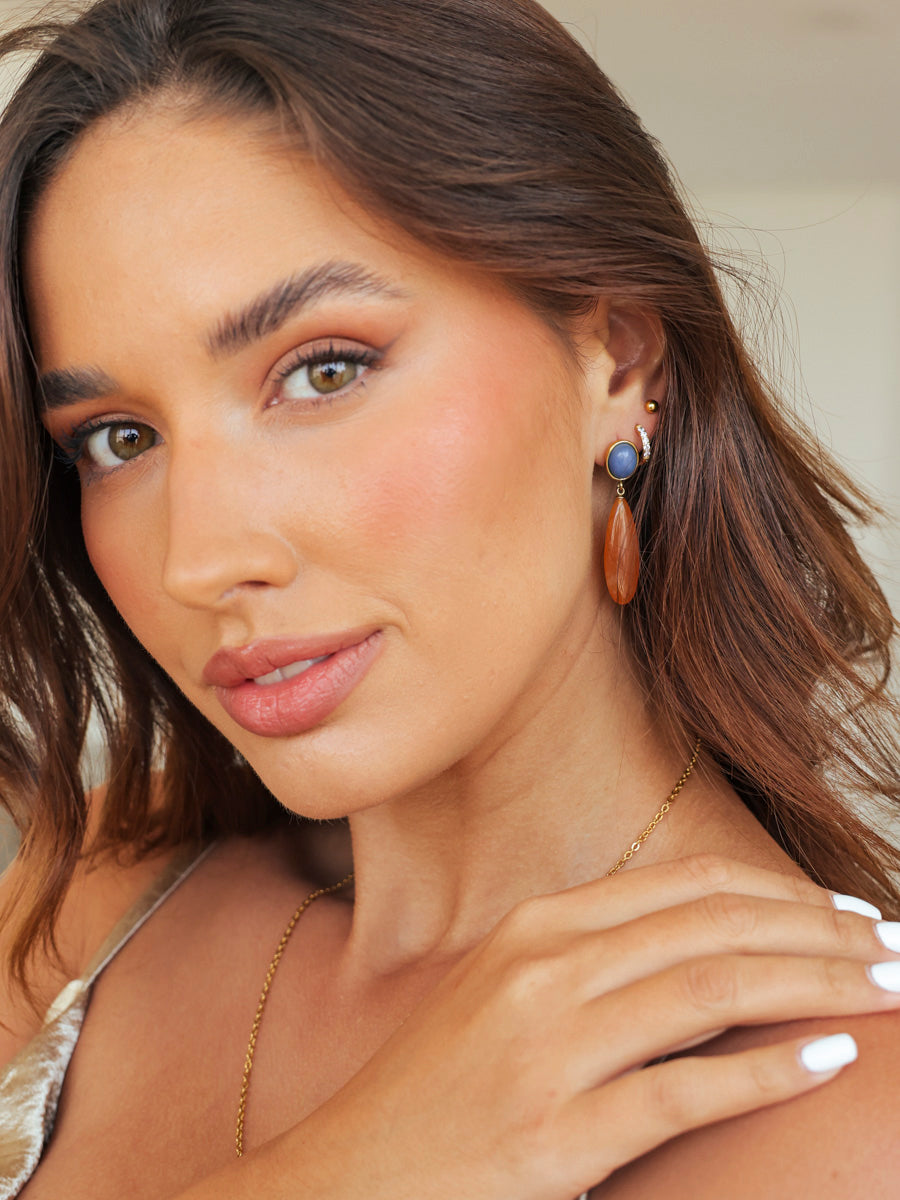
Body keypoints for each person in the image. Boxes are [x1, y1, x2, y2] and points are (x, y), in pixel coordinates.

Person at [1, 0, 899, 1196]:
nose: (198, 562)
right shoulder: (103, 880)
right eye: (118, 438)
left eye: (324, 371)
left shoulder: (839, 1114)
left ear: (617, 357)